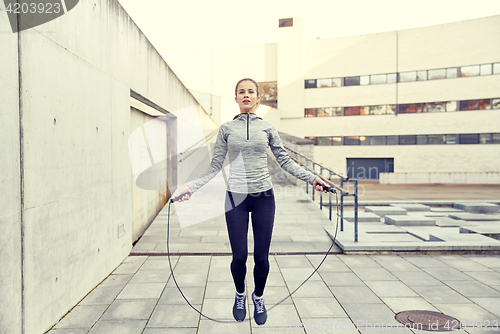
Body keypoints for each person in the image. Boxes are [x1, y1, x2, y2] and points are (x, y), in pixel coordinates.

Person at [174, 78, 328, 325]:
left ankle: (258, 297)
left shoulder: (268, 128)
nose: (246, 95)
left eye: (251, 92)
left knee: (262, 257)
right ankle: (240, 294)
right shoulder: (226, 129)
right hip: (235, 197)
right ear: (235, 98)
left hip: (263, 197)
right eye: (241, 92)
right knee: (239, 257)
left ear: (258, 98)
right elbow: (214, 166)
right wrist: (191, 187)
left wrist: (313, 178)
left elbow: (285, 162)